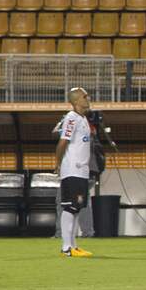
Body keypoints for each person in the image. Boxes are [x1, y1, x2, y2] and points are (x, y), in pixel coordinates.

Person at [55, 87, 93, 257]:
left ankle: (73, 245)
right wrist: (58, 163)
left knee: (76, 208)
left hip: (82, 171)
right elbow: (63, 142)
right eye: (85, 96)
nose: (88, 98)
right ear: (76, 101)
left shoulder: (83, 118)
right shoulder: (72, 118)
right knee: (70, 208)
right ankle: (66, 248)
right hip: (73, 170)